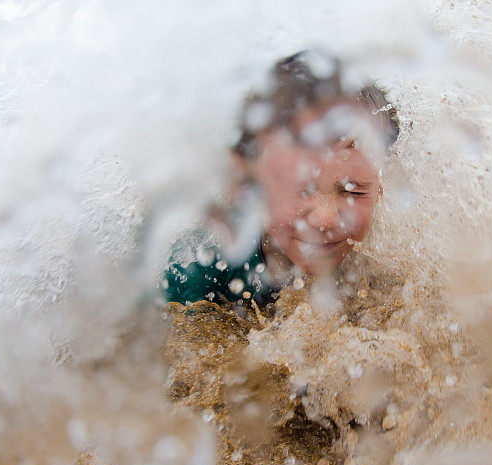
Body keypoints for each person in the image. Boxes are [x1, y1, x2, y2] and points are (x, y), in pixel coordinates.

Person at [164, 49, 399, 307]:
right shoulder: (198, 272)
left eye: (353, 192)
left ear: (381, 185)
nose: (326, 218)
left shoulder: (398, 251)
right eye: (301, 190)